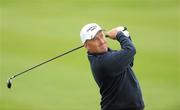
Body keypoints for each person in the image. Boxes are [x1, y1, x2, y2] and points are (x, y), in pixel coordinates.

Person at [80, 23, 145, 110]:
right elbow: (130, 50)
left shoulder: (105, 55)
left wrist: (127, 36)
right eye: (95, 39)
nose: (102, 41)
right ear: (87, 45)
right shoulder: (103, 62)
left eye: (101, 36)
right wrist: (119, 35)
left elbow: (129, 62)